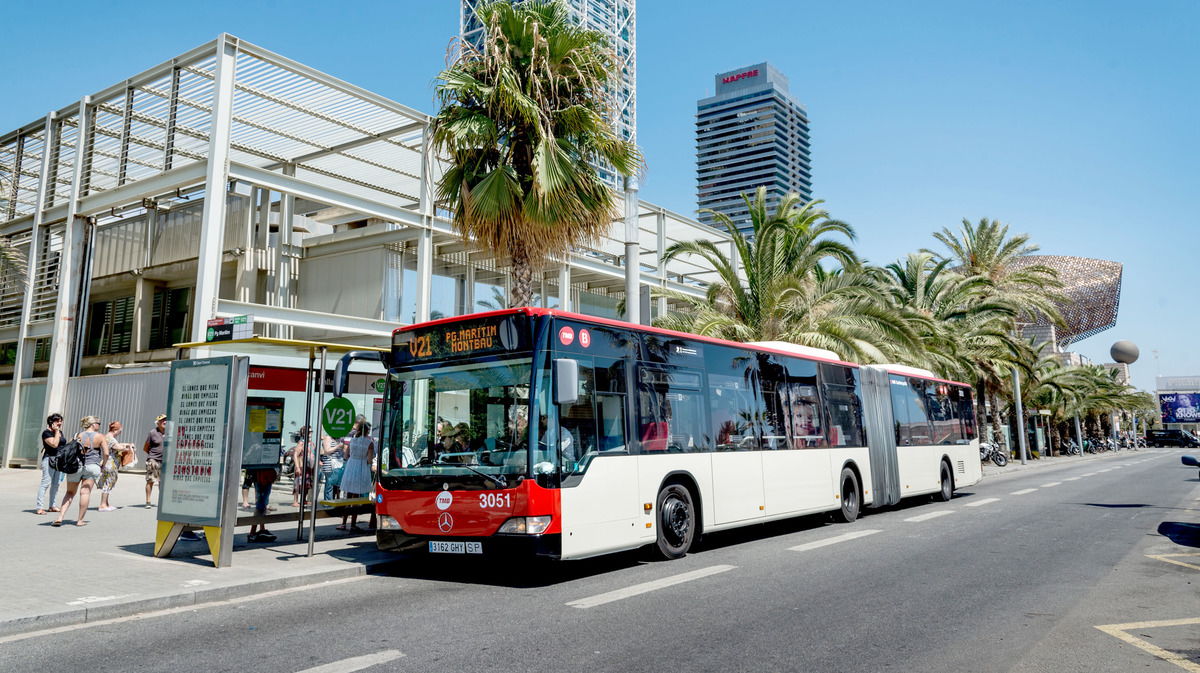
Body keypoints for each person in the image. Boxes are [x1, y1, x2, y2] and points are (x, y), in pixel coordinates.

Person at [53, 416, 105, 527]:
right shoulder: (100, 437)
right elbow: (106, 453)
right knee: (85, 492)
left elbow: (70, 449)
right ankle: (80, 520)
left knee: (69, 493)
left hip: (76, 466)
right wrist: (103, 464)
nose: (99, 425)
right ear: (92, 424)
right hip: (92, 466)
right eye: (98, 423)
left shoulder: (78, 435)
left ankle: (60, 517)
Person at [338, 421, 376, 532]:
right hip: (361, 467)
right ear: (367, 431)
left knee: (348, 496)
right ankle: (353, 524)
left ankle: (344, 523)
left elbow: (346, 455)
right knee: (357, 497)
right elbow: (369, 460)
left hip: (351, 466)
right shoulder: (369, 443)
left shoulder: (352, 441)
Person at [97, 421, 130, 511]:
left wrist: (126, 444)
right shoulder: (110, 438)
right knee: (108, 483)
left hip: (110, 463)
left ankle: (106, 504)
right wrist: (128, 448)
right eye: (120, 430)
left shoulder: (108, 437)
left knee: (109, 483)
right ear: (116, 430)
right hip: (110, 464)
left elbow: (117, 445)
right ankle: (103, 505)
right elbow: (118, 447)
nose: (120, 432)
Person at [36, 414, 65, 515]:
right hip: (49, 460)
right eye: (57, 421)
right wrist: (56, 432)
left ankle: (52, 505)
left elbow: (62, 445)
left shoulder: (59, 432)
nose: (60, 423)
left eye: (61, 421)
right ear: (51, 422)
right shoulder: (46, 433)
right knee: (45, 483)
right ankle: (39, 507)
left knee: (56, 484)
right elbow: (54, 444)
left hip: (59, 460)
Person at [246, 467, 278, 543]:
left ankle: (260, 530)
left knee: (262, 504)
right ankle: (253, 533)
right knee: (261, 504)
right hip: (262, 475)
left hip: (263, 475)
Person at [142, 414, 166, 507]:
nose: (165, 421)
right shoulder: (152, 432)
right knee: (150, 481)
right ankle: (148, 501)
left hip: (165, 461)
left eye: (166, 420)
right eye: (162, 420)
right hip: (153, 460)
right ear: (158, 423)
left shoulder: (169, 432)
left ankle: (161, 502)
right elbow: (146, 447)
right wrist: (152, 456)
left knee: (162, 482)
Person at [290, 426, 315, 507]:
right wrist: (297, 467)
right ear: (303, 433)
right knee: (298, 484)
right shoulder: (301, 443)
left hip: (309, 467)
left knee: (307, 484)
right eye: (309, 431)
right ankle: (295, 501)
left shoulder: (311, 443)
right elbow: (295, 455)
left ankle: (303, 500)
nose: (310, 433)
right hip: (301, 466)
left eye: (311, 431)